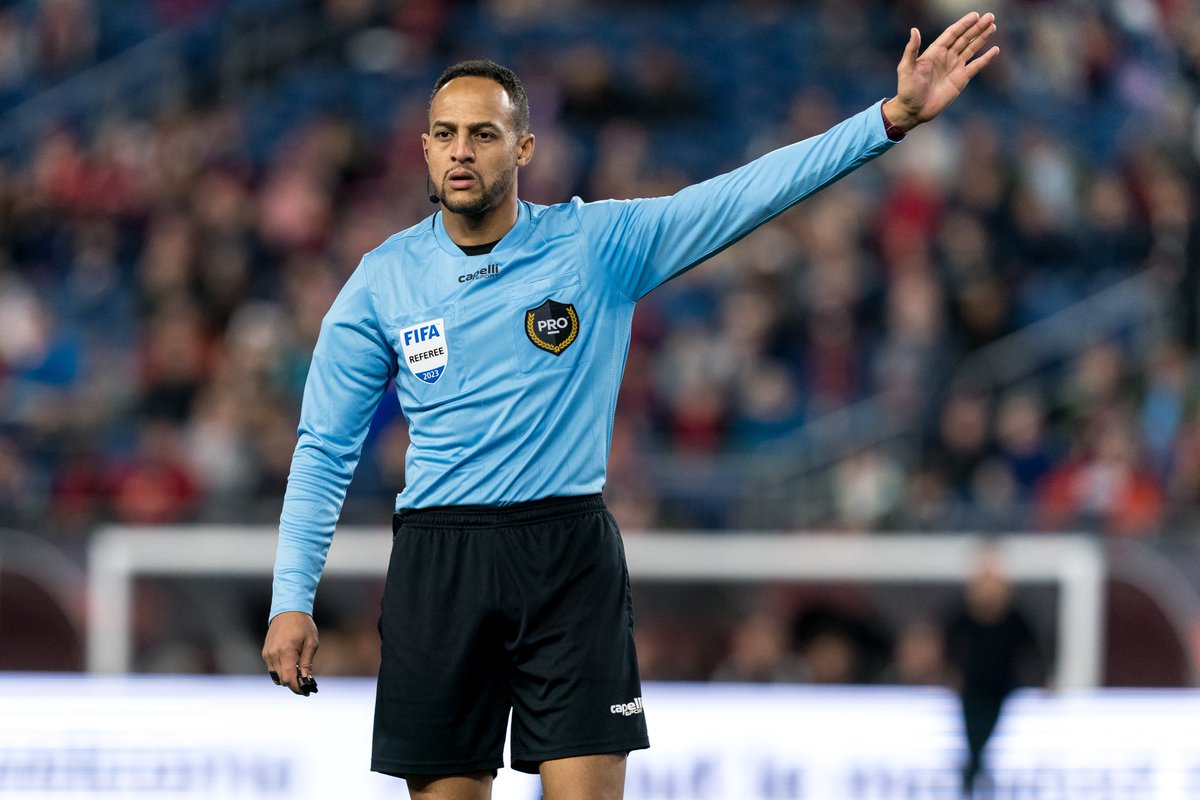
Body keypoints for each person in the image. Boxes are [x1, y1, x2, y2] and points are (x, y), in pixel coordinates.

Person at [262, 13, 1000, 800]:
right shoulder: (384, 279)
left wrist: (888, 121)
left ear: (524, 148)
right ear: (424, 148)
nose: (462, 151)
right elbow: (323, 449)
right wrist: (290, 599)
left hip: (567, 554)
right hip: (441, 561)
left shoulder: (595, 246)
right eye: (444, 134)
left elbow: (743, 195)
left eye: (483, 134)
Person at [946, 547, 1044, 798]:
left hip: (1004, 690)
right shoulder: (963, 613)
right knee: (973, 739)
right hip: (973, 688)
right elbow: (948, 647)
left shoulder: (1014, 616)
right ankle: (972, 779)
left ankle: (979, 780)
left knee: (995, 741)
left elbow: (1034, 650)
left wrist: (1043, 680)